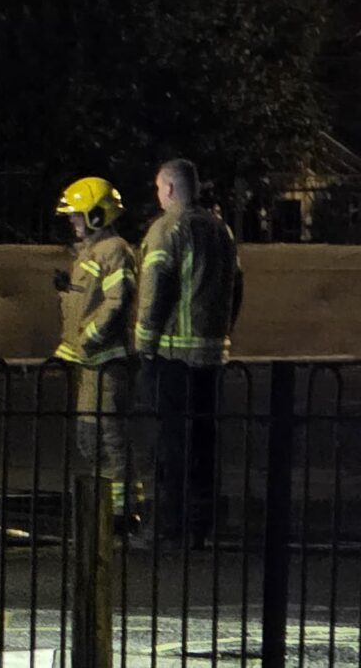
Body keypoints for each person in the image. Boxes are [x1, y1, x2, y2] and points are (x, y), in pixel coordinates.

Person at [134, 158, 243, 545]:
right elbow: (237, 287)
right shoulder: (221, 230)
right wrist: (222, 332)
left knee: (169, 444)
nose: (158, 196)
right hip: (211, 356)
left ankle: (165, 527)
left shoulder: (166, 230)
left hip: (172, 357)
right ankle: (202, 527)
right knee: (203, 443)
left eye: (158, 189)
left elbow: (156, 289)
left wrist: (144, 344)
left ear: (169, 189)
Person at [54, 176, 138, 530]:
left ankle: (122, 512)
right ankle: (105, 507)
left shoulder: (114, 251)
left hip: (106, 362)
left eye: (78, 215)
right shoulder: (90, 252)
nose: (73, 222)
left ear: (98, 215)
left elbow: (118, 302)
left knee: (108, 438)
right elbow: (87, 302)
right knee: (91, 439)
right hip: (88, 363)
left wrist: (89, 338)